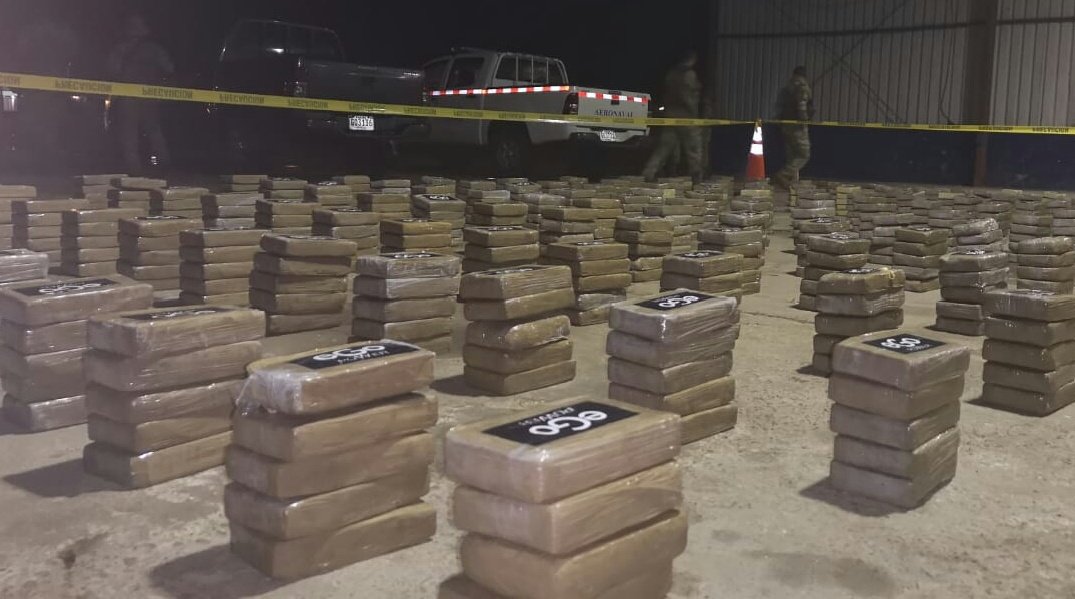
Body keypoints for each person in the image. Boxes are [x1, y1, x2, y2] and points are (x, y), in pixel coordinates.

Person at [107, 15, 174, 174]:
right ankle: (164, 163)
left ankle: (134, 167)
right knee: (152, 130)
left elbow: (112, 70)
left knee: (130, 132)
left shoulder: (122, 49)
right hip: (148, 95)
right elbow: (169, 68)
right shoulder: (154, 49)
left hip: (129, 96)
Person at [642, 50, 703, 185]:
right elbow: (689, 97)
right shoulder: (689, 75)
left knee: (664, 147)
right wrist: (694, 114)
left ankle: (649, 172)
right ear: (692, 59)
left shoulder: (671, 74)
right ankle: (696, 176)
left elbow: (666, 93)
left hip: (670, 115)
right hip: (686, 116)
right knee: (693, 148)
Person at [774, 65, 814, 188]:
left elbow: (778, 106)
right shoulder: (802, 88)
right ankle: (784, 174)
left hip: (785, 125)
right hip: (797, 126)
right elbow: (802, 105)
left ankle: (790, 182)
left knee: (791, 155)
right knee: (803, 154)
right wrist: (804, 120)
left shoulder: (786, 88)